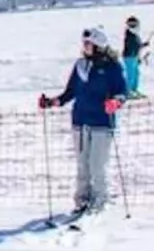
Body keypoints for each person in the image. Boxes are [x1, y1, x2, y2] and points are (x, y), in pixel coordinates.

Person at [40, 26, 129, 215]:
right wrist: (52, 102)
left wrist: (116, 101)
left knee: (98, 164)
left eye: (89, 43)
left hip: (102, 122)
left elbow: (122, 91)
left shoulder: (112, 67)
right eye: (85, 43)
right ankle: (82, 200)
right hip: (80, 121)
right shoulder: (80, 65)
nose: (85, 46)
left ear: (99, 45)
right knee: (82, 164)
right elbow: (71, 91)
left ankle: (100, 200)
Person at [124, 17, 145, 99]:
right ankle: (128, 91)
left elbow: (138, 45)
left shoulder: (135, 35)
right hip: (129, 57)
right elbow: (133, 45)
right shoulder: (129, 35)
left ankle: (134, 90)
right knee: (131, 75)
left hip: (134, 56)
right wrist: (140, 46)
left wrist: (143, 45)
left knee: (136, 74)